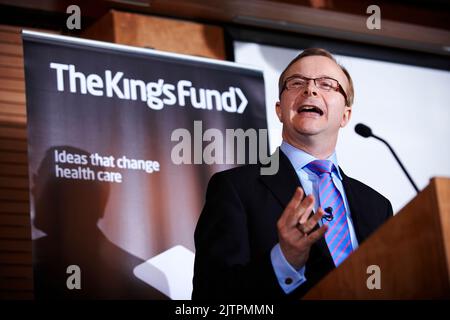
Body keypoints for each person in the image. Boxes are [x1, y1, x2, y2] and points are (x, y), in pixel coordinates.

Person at [192, 48, 393, 300]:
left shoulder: (378, 206)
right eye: (296, 83)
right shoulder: (235, 189)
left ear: (345, 115)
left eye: (327, 84)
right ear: (279, 110)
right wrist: (284, 260)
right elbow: (210, 299)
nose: (310, 90)